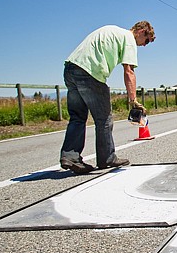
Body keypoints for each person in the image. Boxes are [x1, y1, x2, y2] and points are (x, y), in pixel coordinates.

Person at [59, 21, 155, 174]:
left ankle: (70, 156)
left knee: (77, 117)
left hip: (71, 68)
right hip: (90, 73)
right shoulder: (129, 38)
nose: (144, 45)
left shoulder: (112, 29)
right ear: (141, 31)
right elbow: (129, 71)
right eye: (147, 40)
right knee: (104, 118)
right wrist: (133, 99)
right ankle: (107, 158)